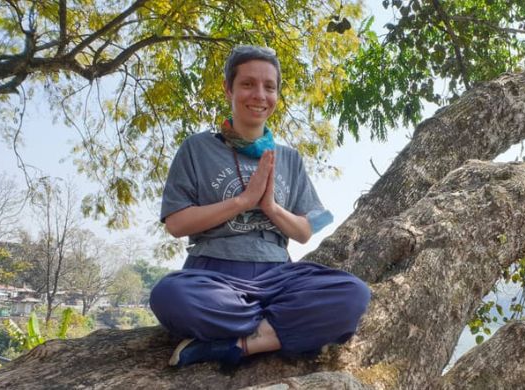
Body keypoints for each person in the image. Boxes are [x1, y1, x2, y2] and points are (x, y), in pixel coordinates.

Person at [149, 45, 371, 368]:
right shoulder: (197, 149)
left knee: (353, 295)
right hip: (214, 276)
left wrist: (270, 207)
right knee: (168, 296)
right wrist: (242, 201)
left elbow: (305, 231)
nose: (260, 95)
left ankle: (236, 343)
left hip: (278, 275)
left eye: (270, 86)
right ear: (229, 89)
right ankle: (284, 328)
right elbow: (176, 224)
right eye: (248, 84)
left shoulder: (290, 159)